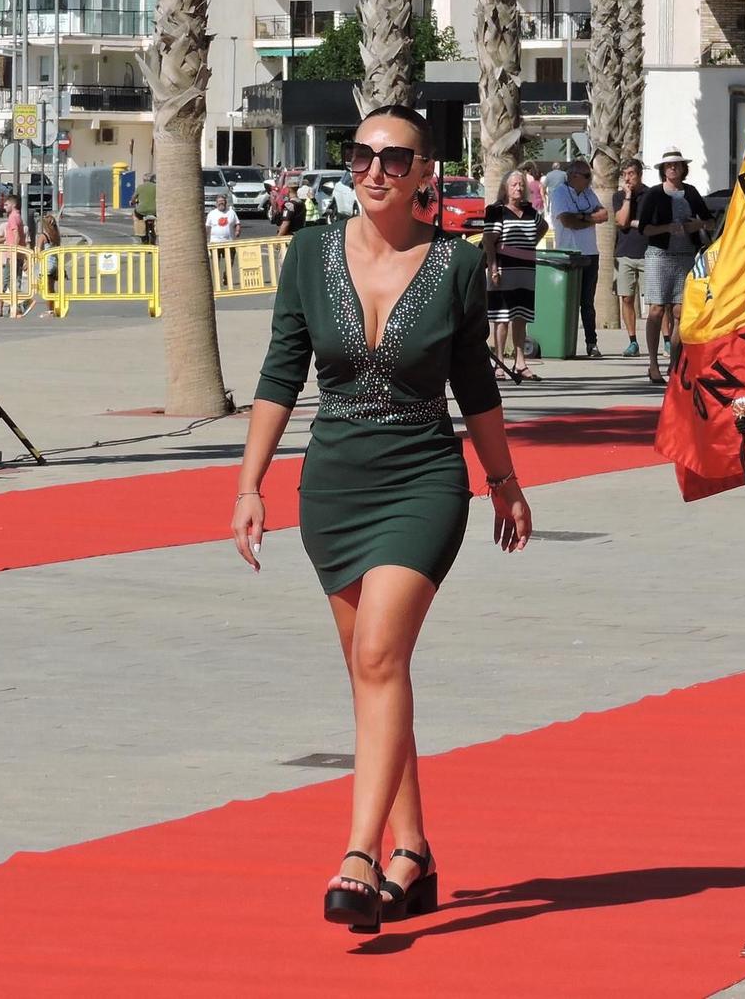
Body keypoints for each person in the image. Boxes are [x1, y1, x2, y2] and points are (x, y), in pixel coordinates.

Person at [231, 103, 529, 933]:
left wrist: (503, 480)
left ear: (426, 173)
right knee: (373, 678)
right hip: (333, 484)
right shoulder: (310, 253)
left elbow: (475, 384)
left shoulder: (456, 264)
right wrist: (250, 486)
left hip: (424, 479)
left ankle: (359, 857)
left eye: (393, 160)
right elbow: (280, 373)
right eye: (360, 155)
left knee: (378, 655)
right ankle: (414, 852)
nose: (372, 171)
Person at [638, 148, 713, 386]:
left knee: (681, 311)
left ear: (683, 169)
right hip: (659, 255)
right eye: (669, 166)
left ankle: (675, 364)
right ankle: (652, 363)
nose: (673, 169)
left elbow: (710, 221)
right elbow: (644, 228)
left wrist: (697, 225)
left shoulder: (690, 192)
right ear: (663, 170)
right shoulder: (654, 194)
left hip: (685, 255)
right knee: (657, 309)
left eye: (677, 165)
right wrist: (667, 228)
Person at [483, 170, 543, 379]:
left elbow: (542, 227)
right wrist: (493, 268)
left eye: (521, 185)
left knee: (521, 317)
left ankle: (520, 362)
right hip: (503, 270)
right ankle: (499, 363)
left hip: (525, 270)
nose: (518, 188)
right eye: (514, 185)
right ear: (505, 188)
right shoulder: (495, 211)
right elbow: (489, 242)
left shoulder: (529, 211)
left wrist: (527, 248)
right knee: (501, 318)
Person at [547, 159, 607, 359]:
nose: (590, 180)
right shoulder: (560, 193)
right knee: (567, 301)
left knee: (587, 302)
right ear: (573, 176)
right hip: (569, 254)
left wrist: (583, 217)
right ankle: (562, 342)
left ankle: (592, 342)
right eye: (587, 176)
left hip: (590, 252)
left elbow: (604, 214)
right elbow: (567, 221)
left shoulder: (589, 193)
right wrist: (588, 218)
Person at [609, 158, 648, 357]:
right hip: (624, 253)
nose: (627, 178)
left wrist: (635, 223)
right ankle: (632, 341)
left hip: (648, 253)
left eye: (631, 174)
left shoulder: (651, 195)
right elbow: (622, 222)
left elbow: (650, 224)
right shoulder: (619, 197)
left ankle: (666, 341)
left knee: (657, 303)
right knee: (626, 299)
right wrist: (628, 197)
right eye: (624, 175)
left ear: (640, 174)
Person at [0, 193, 25, 316]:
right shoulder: (18, 216)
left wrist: (13, 249)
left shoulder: (13, 217)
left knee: (6, 281)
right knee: (15, 280)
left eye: (6, 204)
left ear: (13, 205)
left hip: (12, 254)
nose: (4, 206)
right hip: (17, 254)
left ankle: (15, 306)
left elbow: (17, 234)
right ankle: (15, 307)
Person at [207, 191, 242, 288]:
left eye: (223, 201)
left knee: (229, 261)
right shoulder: (212, 214)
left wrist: (237, 231)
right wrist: (206, 239)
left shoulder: (231, 212)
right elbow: (207, 227)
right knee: (215, 263)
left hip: (229, 242)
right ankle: (217, 281)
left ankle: (226, 276)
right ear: (216, 203)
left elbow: (237, 223)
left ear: (226, 202)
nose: (221, 203)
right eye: (219, 201)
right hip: (215, 243)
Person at [132, 174, 157, 244]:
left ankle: (140, 231)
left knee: (136, 216)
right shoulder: (156, 187)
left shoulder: (140, 187)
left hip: (141, 211)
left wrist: (132, 202)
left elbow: (134, 197)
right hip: (154, 211)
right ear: (153, 180)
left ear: (143, 180)